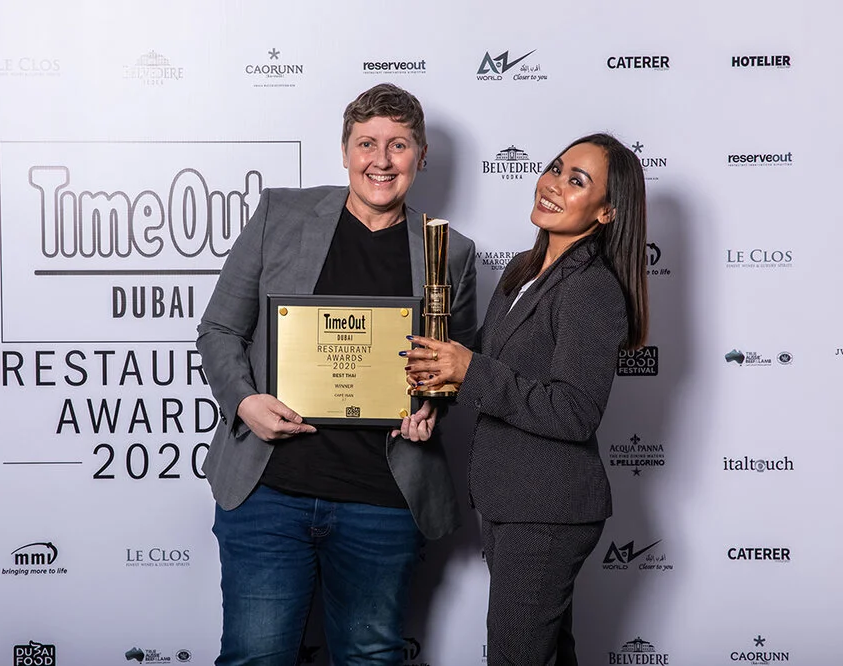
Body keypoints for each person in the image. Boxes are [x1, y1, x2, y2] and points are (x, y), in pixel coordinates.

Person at [196, 83, 477, 665]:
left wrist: (431, 406)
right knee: (254, 657)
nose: (381, 160)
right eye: (367, 143)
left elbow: (453, 367)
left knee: (371, 658)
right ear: (345, 150)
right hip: (269, 493)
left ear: (421, 156)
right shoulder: (280, 214)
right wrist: (245, 402)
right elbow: (219, 329)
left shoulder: (449, 251)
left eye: (399, 145)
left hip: (382, 499)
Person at [404, 133, 648, 666]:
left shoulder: (592, 288)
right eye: (556, 169)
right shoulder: (522, 269)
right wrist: (432, 393)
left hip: (548, 508)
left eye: (577, 181)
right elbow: (484, 365)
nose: (554, 184)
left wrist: (468, 369)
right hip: (511, 500)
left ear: (606, 212)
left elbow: (575, 411)